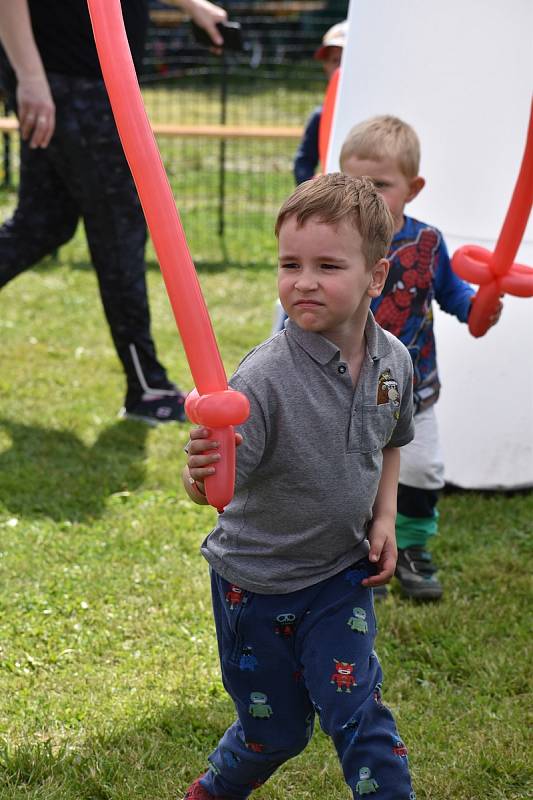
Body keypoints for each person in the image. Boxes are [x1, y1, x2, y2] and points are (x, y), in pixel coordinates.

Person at [182, 173, 416, 800]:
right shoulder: (263, 378)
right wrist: (202, 468)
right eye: (290, 264)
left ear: (376, 276)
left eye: (327, 265)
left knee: (359, 711)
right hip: (254, 585)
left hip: (340, 575)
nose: (303, 281)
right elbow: (214, 493)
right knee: (274, 733)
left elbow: (391, 438)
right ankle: (213, 789)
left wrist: (386, 517)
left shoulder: (395, 361)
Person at [0, 0, 227, 425]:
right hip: (72, 84)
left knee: (42, 224)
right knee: (119, 230)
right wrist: (30, 78)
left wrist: (193, 6)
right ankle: (147, 387)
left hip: (82, 83)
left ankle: (146, 384)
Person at [340, 115, 502, 601]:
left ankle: (410, 546)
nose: (365, 194)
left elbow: (453, 295)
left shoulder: (428, 243)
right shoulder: (339, 239)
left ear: (413, 188)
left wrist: (478, 308)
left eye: (381, 185)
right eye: (354, 182)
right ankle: (366, 549)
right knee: (354, 471)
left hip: (413, 387)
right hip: (347, 387)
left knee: (423, 469)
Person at [293, 19, 347, 185]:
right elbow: (303, 163)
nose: (340, 68)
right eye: (334, 61)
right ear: (326, 67)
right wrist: (312, 186)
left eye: (345, 59)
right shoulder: (321, 116)